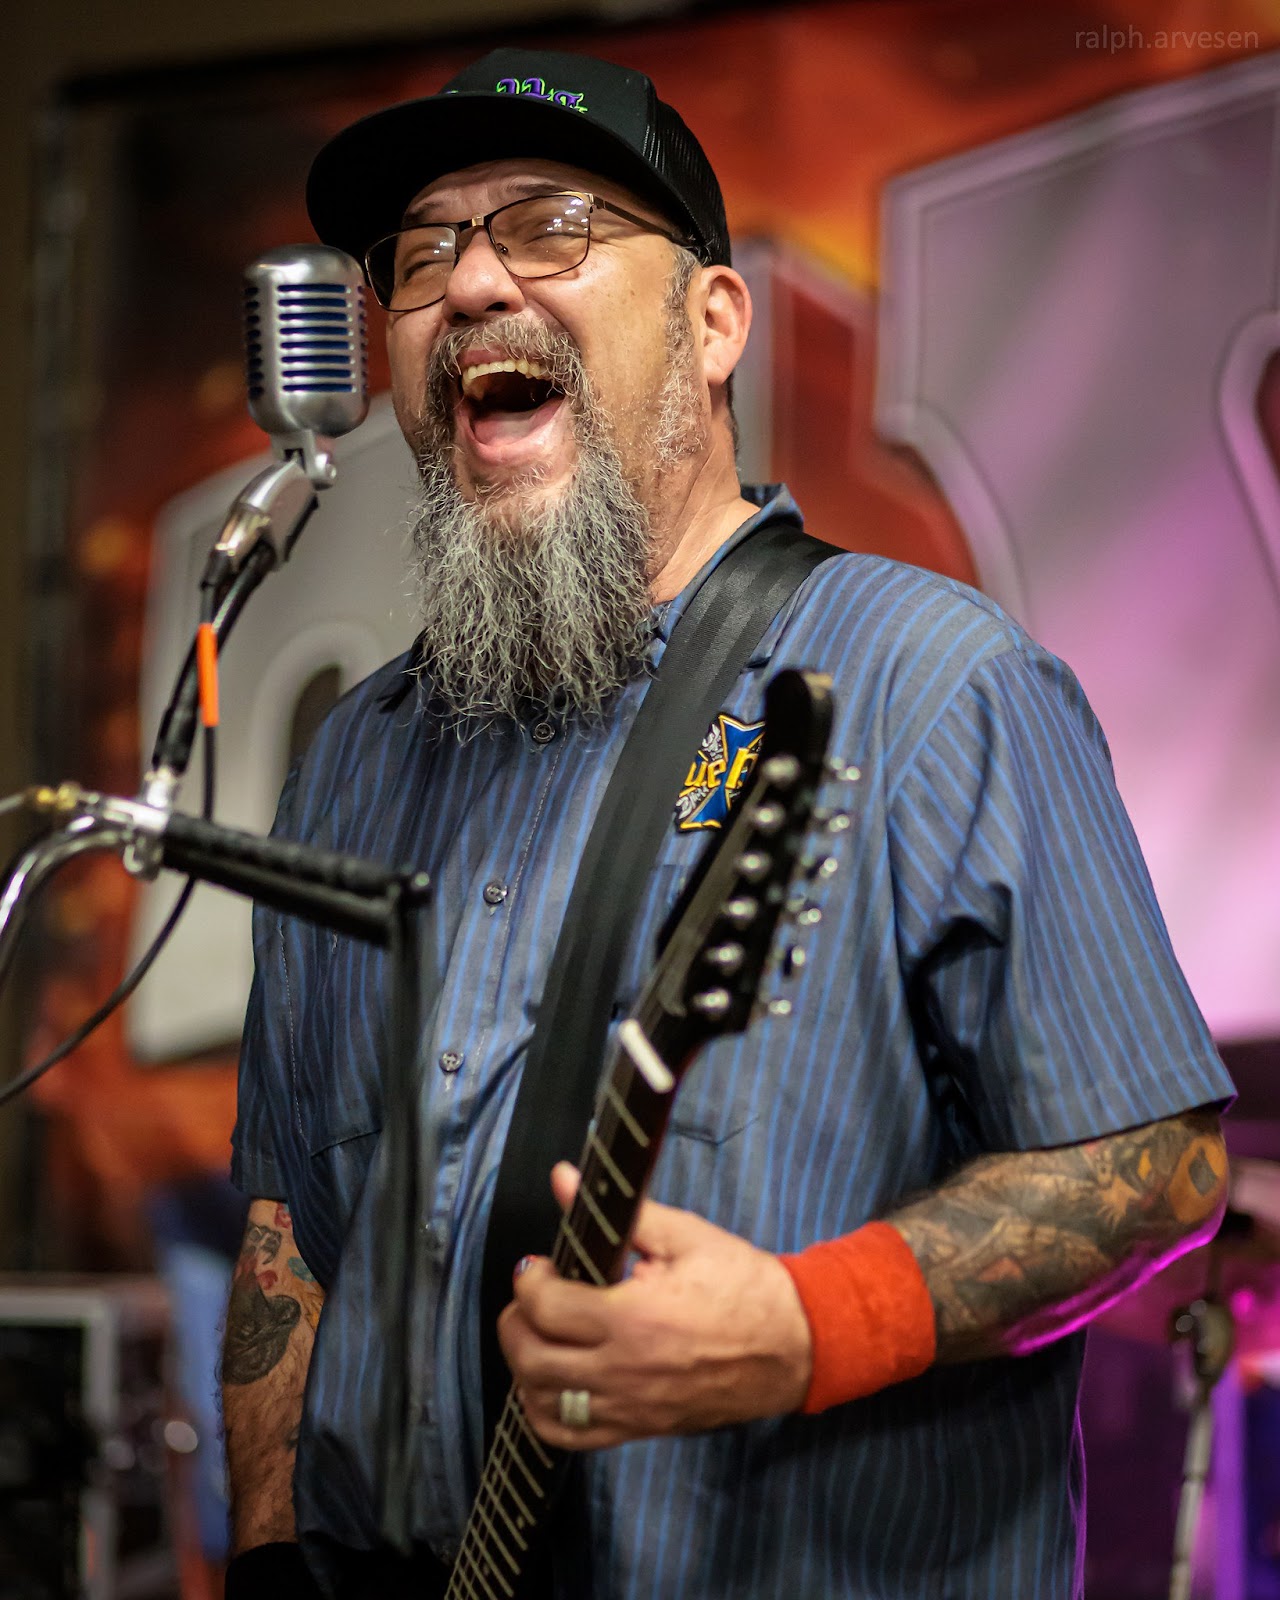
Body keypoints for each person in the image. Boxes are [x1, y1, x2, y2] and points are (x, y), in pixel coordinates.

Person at [222, 46, 1235, 1600]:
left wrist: (813, 1325)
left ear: (711, 325)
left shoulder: (930, 685)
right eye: (421, 255)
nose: (472, 283)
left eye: (550, 226)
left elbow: (1155, 1166)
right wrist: (267, 1554)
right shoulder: (351, 760)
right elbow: (290, 1229)